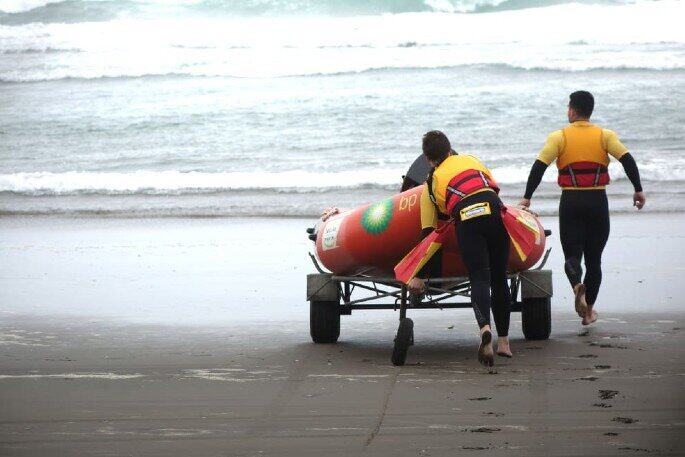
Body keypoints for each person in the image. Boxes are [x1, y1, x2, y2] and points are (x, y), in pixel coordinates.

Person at [519, 91, 645, 325]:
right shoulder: (605, 136)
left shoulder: (559, 137)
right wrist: (638, 189)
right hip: (598, 202)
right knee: (594, 260)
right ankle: (588, 312)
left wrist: (527, 197)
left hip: (571, 203)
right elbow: (627, 159)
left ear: (573, 110)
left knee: (572, 256)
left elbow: (539, 166)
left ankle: (578, 285)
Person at [408, 131, 511, 367]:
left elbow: (429, 234)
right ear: (450, 150)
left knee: (479, 278)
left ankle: (485, 328)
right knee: (499, 279)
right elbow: (490, 188)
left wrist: (421, 274)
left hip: (467, 218)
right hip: (493, 209)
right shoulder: (472, 160)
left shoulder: (431, 183)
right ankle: (504, 343)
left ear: (427, 159)